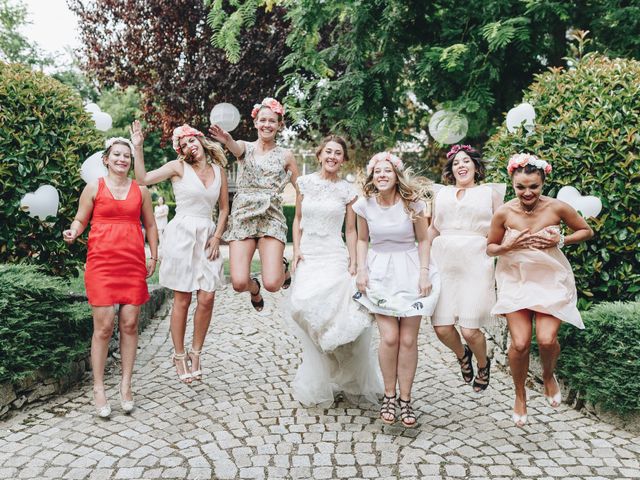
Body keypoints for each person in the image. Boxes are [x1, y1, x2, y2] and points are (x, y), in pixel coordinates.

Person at [486, 153, 593, 426]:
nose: (527, 192)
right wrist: (508, 246)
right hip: (516, 278)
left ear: (543, 182)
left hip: (549, 278)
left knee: (546, 340)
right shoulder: (504, 212)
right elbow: (490, 247)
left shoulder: (557, 208)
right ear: (513, 184)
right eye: (521, 187)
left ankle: (547, 375)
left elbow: (586, 231)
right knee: (520, 343)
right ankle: (520, 393)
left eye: (533, 186)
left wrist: (561, 240)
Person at [63, 136, 158, 417]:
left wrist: (154, 255)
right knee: (103, 327)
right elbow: (81, 219)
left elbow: (151, 225)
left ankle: (126, 384)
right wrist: (74, 231)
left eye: (126, 156)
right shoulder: (94, 187)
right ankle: (99, 387)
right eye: (116, 154)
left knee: (130, 324)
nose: (122, 159)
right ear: (106, 159)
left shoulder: (141, 191)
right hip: (102, 264)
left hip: (132, 263)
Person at [287, 135, 382, 407]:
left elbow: (350, 230)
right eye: (328, 151)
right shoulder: (303, 183)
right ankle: (323, 367)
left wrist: (354, 261)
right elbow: (298, 220)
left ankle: (347, 373)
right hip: (309, 254)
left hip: (334, 254)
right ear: (319, 155)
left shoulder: (347, 191)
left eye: (338, 153)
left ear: (343, 159)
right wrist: (295, 251)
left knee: (340, 315)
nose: (332, 156)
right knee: (301, 306)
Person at [132, 121, 229, 383]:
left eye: (191, 140)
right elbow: (143, 179)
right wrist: (138, 148)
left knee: (207, 297)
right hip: (182, 235)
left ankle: (196, 352)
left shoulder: (219, 170)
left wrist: (217, 237)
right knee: (183, 300)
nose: (189, 146)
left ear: (200, 140)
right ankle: (178, 354)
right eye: (183, 144)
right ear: (181, 150)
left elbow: (224, 209)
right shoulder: (178, 167)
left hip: (208, 236)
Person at [353, 152, 439, 427]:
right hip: (379, 271)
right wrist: (362, 269)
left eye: (387, 171)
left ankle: (405, 399)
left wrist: (424, 273)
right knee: (389, 338)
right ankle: (389, 395)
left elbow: (424, 240)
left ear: (396, 175)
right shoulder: (364, 205)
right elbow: (362, 239)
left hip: (410, 270)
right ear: (371, 176)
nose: (381, 175)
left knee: (408, 340)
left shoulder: (412, 205)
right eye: (377, 171)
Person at [209, 98, 299, 311]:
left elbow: (301, 188)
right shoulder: (244, 147)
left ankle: (282, 269)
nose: (267, 124)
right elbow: (234, 148)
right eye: (263, 120)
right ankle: (254, 288)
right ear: (256, 123)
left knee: (274, 284)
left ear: (279, 125)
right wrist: (227, 140)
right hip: (243, 216)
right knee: (239, 283)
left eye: (272, 121)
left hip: (271, 217)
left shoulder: (286, 155)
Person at [427, 145, 504, 392]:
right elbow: (432, 229)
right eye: (456, 163)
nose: (461, 166)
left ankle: (483, 363)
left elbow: (503, 227)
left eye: (466, 161)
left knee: (470, 329)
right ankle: (463, 355)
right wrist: (417, 255)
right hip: (443, 262)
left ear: (475, 166)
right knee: (441, 328)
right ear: (451, 170)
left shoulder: (489, 193)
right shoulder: (441, 194)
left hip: (475, 262)